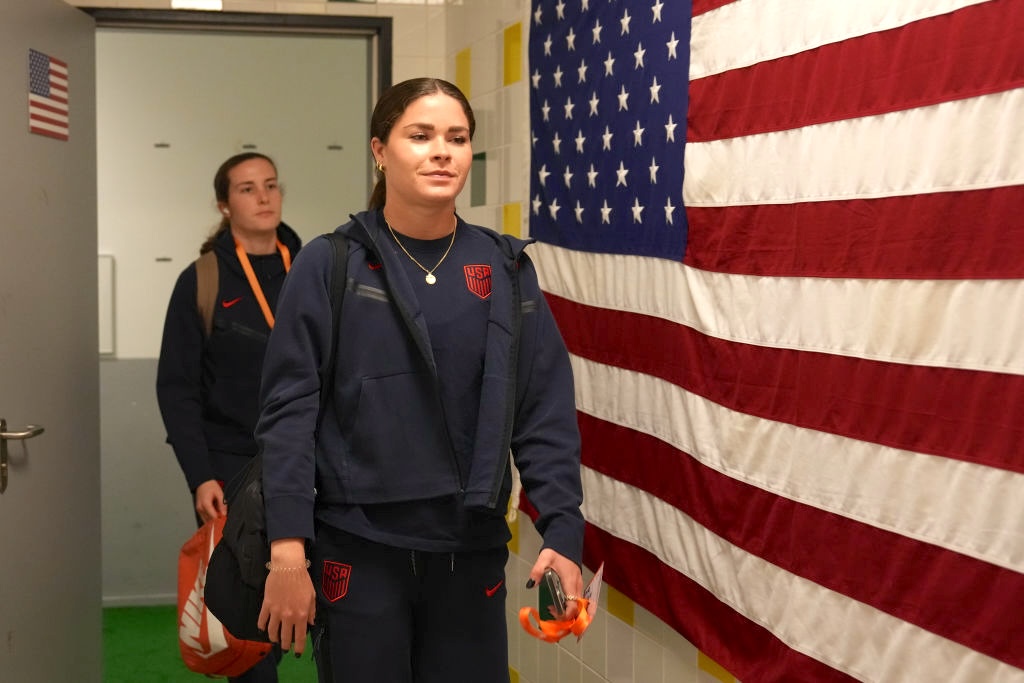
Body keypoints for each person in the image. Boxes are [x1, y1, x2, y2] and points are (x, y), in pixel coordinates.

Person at [254, 77, 586, 682]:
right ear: (380, 150)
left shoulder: (506, 270)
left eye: (456, 138)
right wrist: (287, 551)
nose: (441, 151)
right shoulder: (330, 264)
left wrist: (562, 529)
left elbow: (542, 412)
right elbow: (289, 413)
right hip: (358, 547)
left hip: (470, 548)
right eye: (420, 135)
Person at [157, 152, 301, 683]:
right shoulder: (204, 280)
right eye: (246, 189)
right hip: (232, 470)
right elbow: (176, 390)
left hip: (308, 466)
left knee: (322, 603)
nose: (263, 197)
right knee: (248, 622)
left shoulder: (312, 269)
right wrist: (200, 475)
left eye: (270, 185)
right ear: (224, 204)